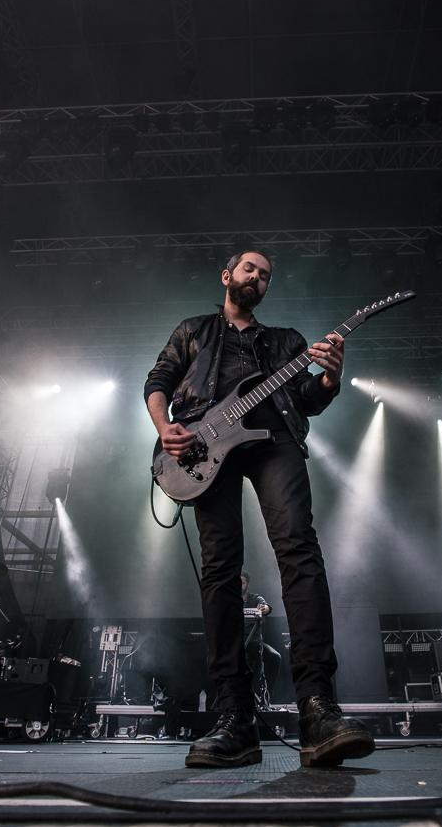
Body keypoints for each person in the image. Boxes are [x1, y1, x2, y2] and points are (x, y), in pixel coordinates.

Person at [145, 249, 374, 768]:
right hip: (205, 447)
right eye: (249, 268)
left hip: (274, 439)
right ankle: (235, 717)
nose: (257, 276)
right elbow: (157, 383)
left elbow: (308, 399)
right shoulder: (194, 329)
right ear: (227, 276)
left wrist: (330, 379)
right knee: (220, 570)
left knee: (298, 549)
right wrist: (166, 429)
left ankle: (318, 708)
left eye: (266, 274)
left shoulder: (287, 342)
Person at [241, 571, 281, 707]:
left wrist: (264, 609)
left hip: (253, 643)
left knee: (275, 658)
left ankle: (266, 697)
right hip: (235, 645)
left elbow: (268, 608)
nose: (239, 585)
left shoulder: (255, 598)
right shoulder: (231, 600)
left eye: (242, 583)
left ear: (247, 584)